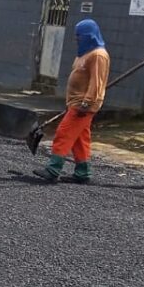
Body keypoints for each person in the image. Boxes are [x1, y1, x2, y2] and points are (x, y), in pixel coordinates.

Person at [35, 19, 110, 184]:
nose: (77, 38)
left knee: (64, 133)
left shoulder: (98, 55)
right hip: (75, 103)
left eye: (80, 35)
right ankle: (82, 173)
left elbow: (96, 83)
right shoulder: (85, 53)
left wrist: (87, 102)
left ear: (89, 36)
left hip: (83, 105)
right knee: (79, 139)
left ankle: (53, 169)